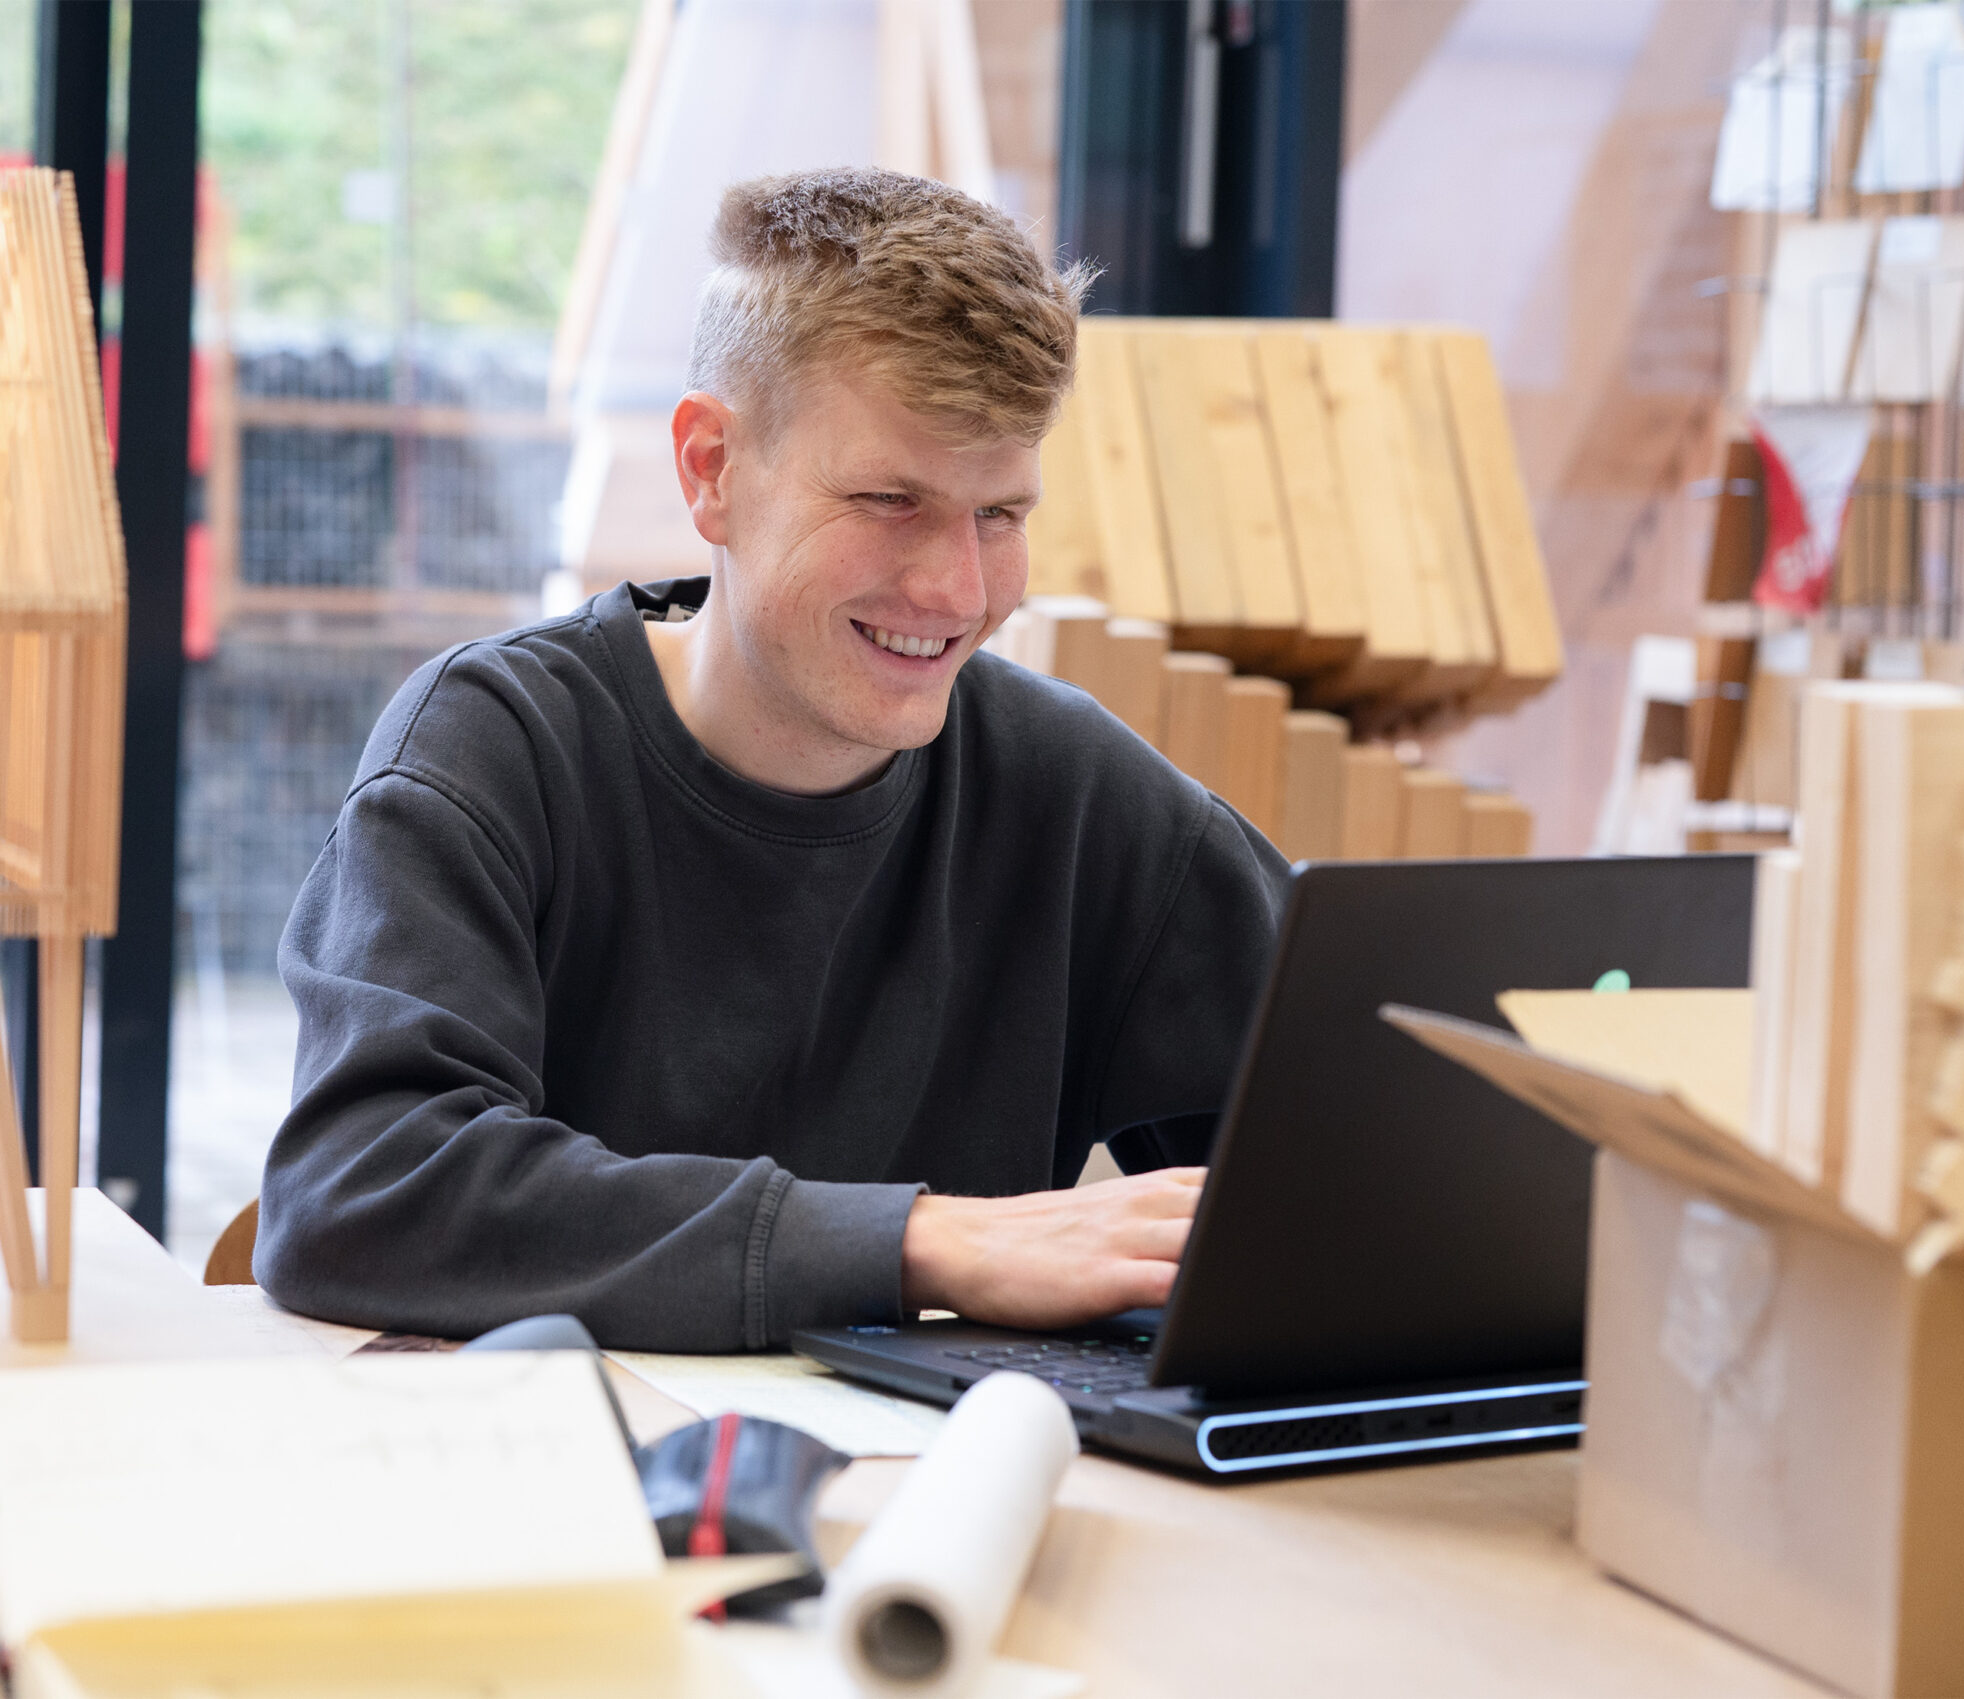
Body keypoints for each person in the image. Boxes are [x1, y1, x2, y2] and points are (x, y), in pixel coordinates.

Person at [256, 167, 1289, 1352]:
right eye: (889, 498)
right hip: (580, 1504)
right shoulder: (495, 749)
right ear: (710, 469)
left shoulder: (1078, 797)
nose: (958, 590)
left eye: (1000, 514)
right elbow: (365, 1193)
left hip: (956, 1506)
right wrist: (921, 1243)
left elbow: (1354, 1163)